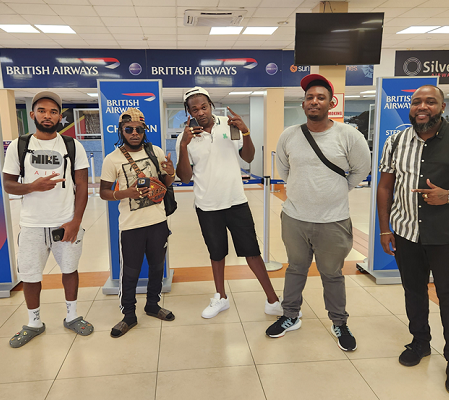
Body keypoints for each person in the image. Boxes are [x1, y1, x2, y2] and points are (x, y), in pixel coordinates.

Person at [377, 85, 449, 396]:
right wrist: (385, 229)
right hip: (406, 234)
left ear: (442, 107)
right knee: (413, 291)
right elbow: (385, 187)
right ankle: (420, 342)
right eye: (416, 101)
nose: (422, 106)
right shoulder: (395, 141)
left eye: (430, 101)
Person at [266, 74, 371, 352]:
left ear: (331, 103)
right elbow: (284, 170)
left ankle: (339, 322)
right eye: (309, 97)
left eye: (320, 97)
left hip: (333, 221)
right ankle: (290, 315)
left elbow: (362, 169)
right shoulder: (289, 135)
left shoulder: (349, 135)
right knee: (295, 268)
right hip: (294, 219)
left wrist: (339, 189)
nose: (314, 101)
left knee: (332, 274)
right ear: (303, 104)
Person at [175, 86, 282, 319]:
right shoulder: (186, 137)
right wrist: (183, 145)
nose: (200, 112)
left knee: (252, 252)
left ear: (211, 105)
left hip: (236, 201)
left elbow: (248, 157)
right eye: (195, 109)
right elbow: (184, 178)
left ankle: (273, 300)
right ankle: (221, 297)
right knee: (216, 254)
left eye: (204, 107)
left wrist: (246, 132)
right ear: (189, 112)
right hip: (207, 205)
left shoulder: (229, 124)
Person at [3, 90, 93, 347]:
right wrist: (33, 186)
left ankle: (72, 316)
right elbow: (8, 184)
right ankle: (34, 322)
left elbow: (82, 186)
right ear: (33, 114)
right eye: (42, 111)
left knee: (70, 270)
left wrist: (76, 221)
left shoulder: (72, 146)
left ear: (59, 116)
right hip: (32, 224)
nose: (47, 115)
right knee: (30, 275)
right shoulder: (19, 146)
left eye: (53, 112)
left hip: (65, 221)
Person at [100, 108, 176, 337]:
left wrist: (170, 172)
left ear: (144, 130)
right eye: (129, 129)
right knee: (130, 272)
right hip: (131, 226)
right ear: (121, 131)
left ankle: (153, 305)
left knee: (157, 267)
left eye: (139, 129)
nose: (134, 133)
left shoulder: (156, 152)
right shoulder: (112, 159)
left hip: (158, 221)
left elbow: (166, 183)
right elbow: (103, 192)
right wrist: (126, 193)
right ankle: (129, 315)